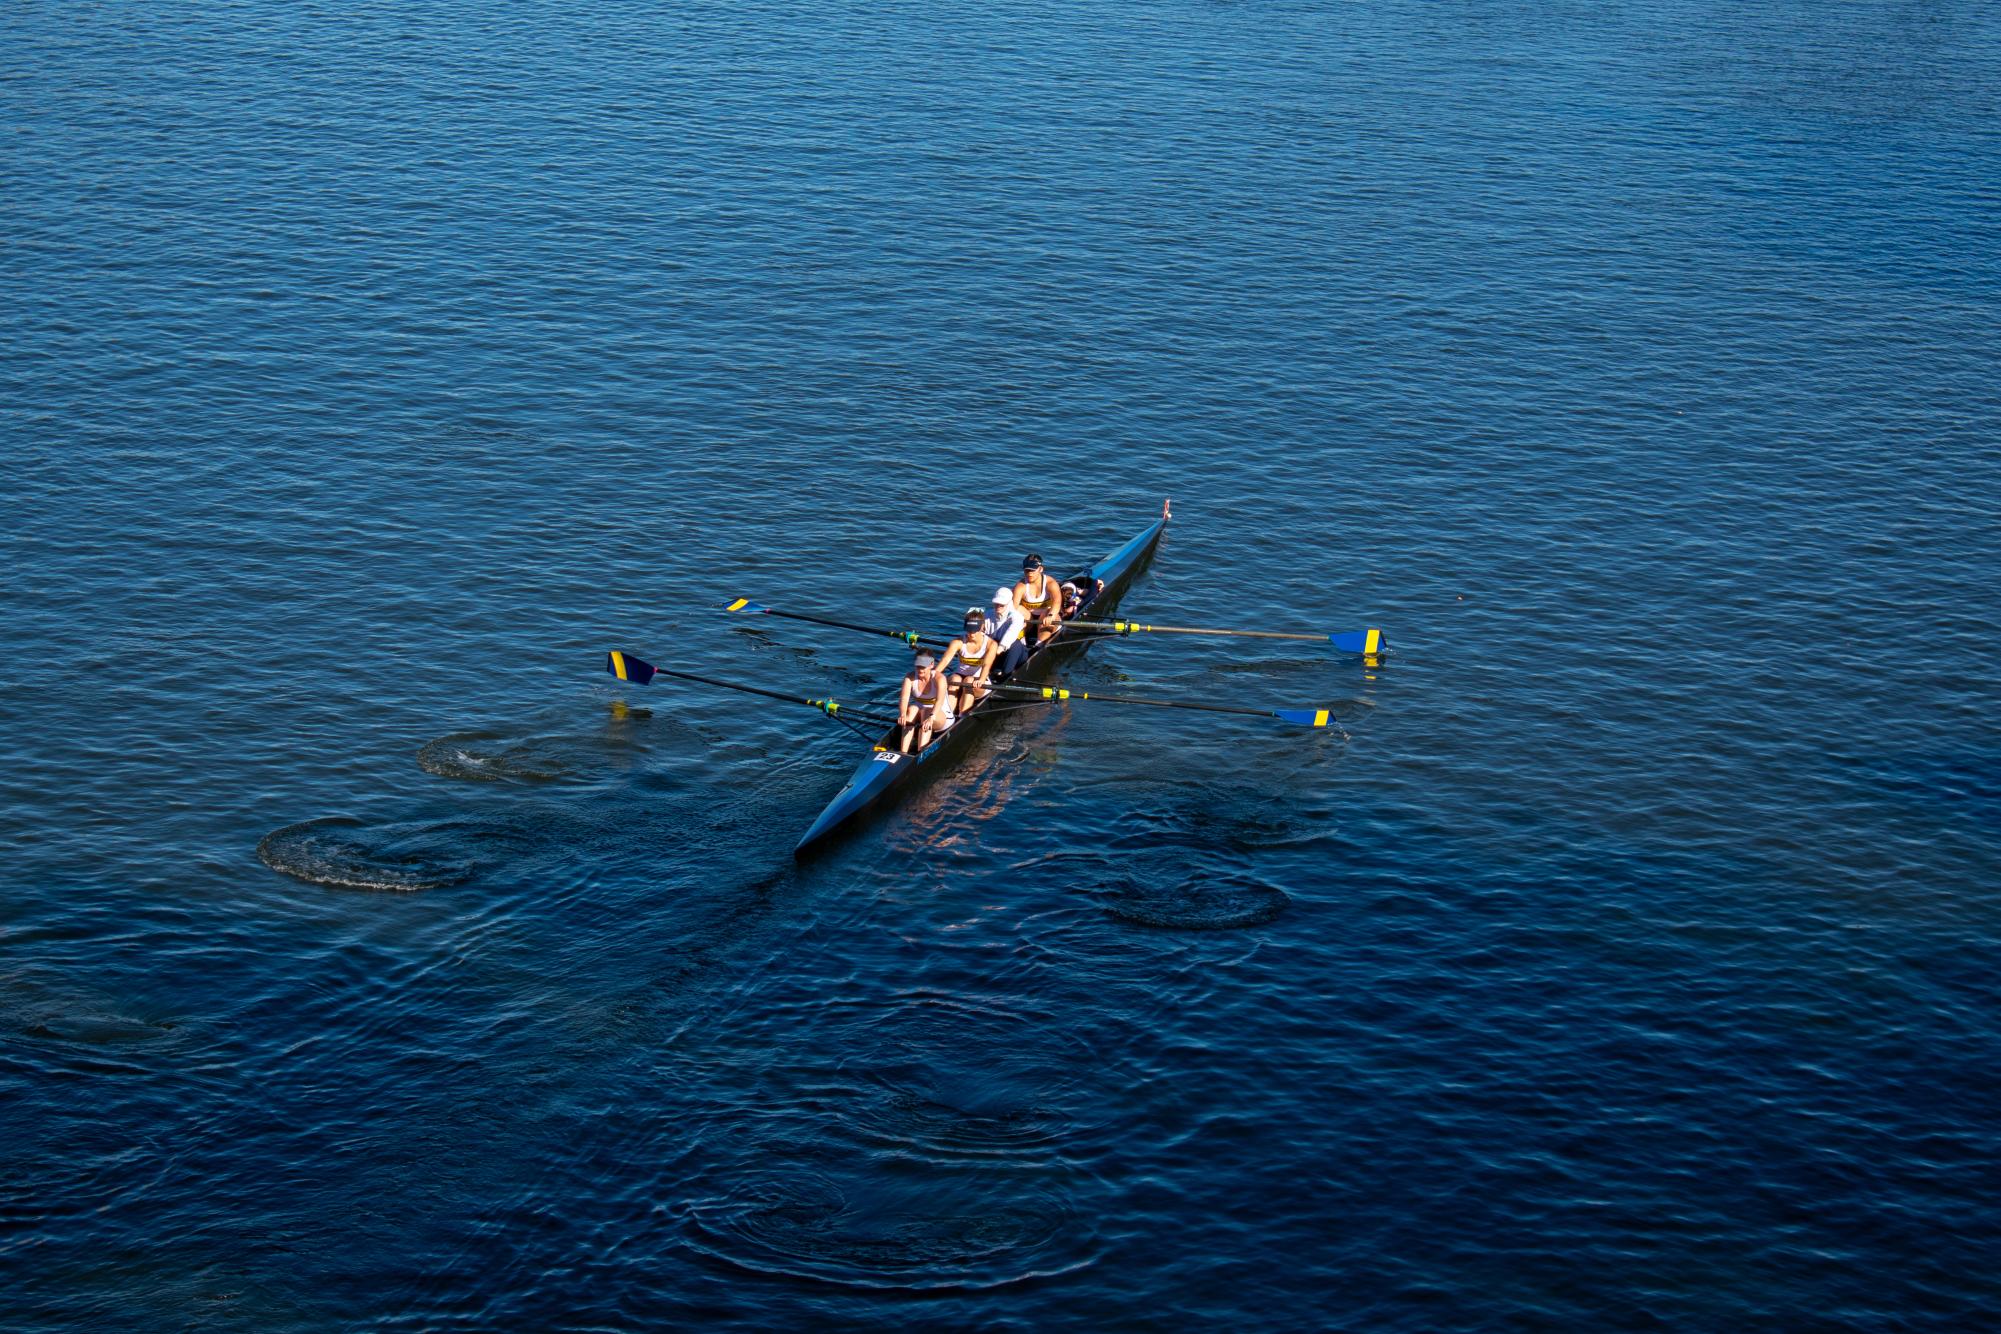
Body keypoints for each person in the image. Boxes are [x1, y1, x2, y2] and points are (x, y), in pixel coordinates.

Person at [937, 606, 996, 715]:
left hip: (979, 682)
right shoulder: (957, 642)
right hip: (959, 678)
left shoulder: (991, 644)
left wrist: (981, 679)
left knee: (968, 681)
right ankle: (948, 715)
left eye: (975, 631)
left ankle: (962, 715)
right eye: (969, 631)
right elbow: (945, 661)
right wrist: (934, 675)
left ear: (982, 626)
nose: (971, 634)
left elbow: (987, 665)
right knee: (954, 678)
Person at [896, 652, 955, 754]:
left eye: (923, 666)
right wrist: (902, 714)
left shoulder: (939, 678)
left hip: (940, 716)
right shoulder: (909, 678)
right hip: (921, 715)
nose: (920, 669)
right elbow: (904, 699)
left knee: (927, 712)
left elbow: (940, 701)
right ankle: (903, 752)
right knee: (912, 709)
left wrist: (931, 717)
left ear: (931, 665)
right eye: (918, 666)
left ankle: (921, 753)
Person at [1014, 554, 1063, 646]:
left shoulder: (1050, 583)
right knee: (1018, 609)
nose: (1029, 573)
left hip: (1047, 618)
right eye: (1027, 570)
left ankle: (1039, 644)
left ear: (1041, 569)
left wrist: (1051, 615)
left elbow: (1057, 602)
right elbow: (1014, 606)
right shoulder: (1020, 586)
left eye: (1032, 570)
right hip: (1030, 620)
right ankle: (1019, 640)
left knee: (1047, 612)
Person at [985, 585, 1028, 680]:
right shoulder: (987, 614)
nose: (998, 607)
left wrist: (998, 649)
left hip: (1017, 653)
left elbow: (1011, 634)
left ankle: (1005, 675)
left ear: (1009, 603)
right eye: (996, 603)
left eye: (1002, 605)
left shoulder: (1017, 617)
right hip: (994, 651)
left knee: (1015, 644)